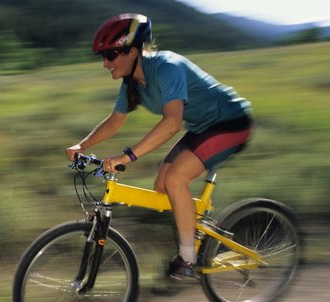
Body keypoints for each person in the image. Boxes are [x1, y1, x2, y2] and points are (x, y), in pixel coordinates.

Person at [65, 13, 253, 282]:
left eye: (110, 55)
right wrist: (82, 145)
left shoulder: (167, 67)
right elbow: (115, 122)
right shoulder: (131, 83)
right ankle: (196, 231)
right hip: (203, 128)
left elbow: (173, 122)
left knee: (177, 179)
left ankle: (188, 258)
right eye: (102, 57)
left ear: (132, 52)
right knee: (162, 186)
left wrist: (127, 156)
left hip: (231, 123)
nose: (105, 63)